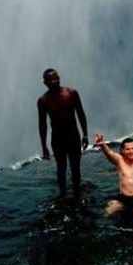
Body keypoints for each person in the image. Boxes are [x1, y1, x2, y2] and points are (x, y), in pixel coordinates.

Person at [37, 68, 89, 200]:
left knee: (75, 168)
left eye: (56, 78)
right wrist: (44, 146)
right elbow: (42, 125)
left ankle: (77, 195)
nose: (55, 81)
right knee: (61, 168)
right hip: (58, 139)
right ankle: (63, 195)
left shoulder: (71, 93)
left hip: (73, 136)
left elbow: (81, 114)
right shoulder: (43, 100)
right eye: (51, 79)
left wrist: (85, 135)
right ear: (45, 82)